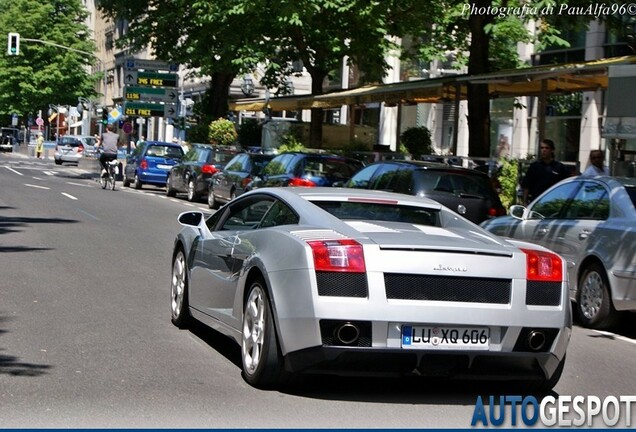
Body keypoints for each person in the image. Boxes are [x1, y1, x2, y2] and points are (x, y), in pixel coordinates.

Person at [521, 138, 569, 205]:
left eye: (547, 148)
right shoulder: (534, 166)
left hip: (553, 203)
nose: (544, 150)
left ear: (552, 150)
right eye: (542, 148)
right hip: (536, 202)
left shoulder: (559, 167)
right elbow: (526, 185)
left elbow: (565, 187)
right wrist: (525, 202)